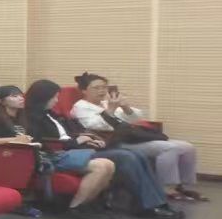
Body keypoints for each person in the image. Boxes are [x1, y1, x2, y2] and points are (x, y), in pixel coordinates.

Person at [22, 80, 181, 219]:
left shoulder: (52, 115)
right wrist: (76, 141)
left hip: (80, 149)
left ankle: (157, 203)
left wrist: (88, 138)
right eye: (54, 97)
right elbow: (44, 142)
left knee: (137, 155)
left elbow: (73, 131)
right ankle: (148, 206)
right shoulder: (31, 118)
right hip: (64, 153)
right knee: (126, 157)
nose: (57, 101)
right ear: (43, 98)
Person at [0, 86, 116, 219]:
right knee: (101, 167)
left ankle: (86, 205)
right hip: (30, 159)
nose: (20, 98)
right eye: (14, 96)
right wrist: (13, 140)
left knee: (108, 164)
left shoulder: (24, 118)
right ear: (1, 101)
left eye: (20, 95)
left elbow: (39, 139)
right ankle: (76, 208)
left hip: (47, 154)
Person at [69, 73, 204, 200]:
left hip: (130, 137)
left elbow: (136, 119)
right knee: (169, 148)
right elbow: (98, 126)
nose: (101, 91)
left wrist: (125, 107)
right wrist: (111, 109)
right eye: (96, 88)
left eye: (104, 87)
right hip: (113, 141)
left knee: (187, 147)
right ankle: (166, 188)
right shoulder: (81, 107)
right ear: (84, 90)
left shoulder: (106, 103)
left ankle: (183, 185)